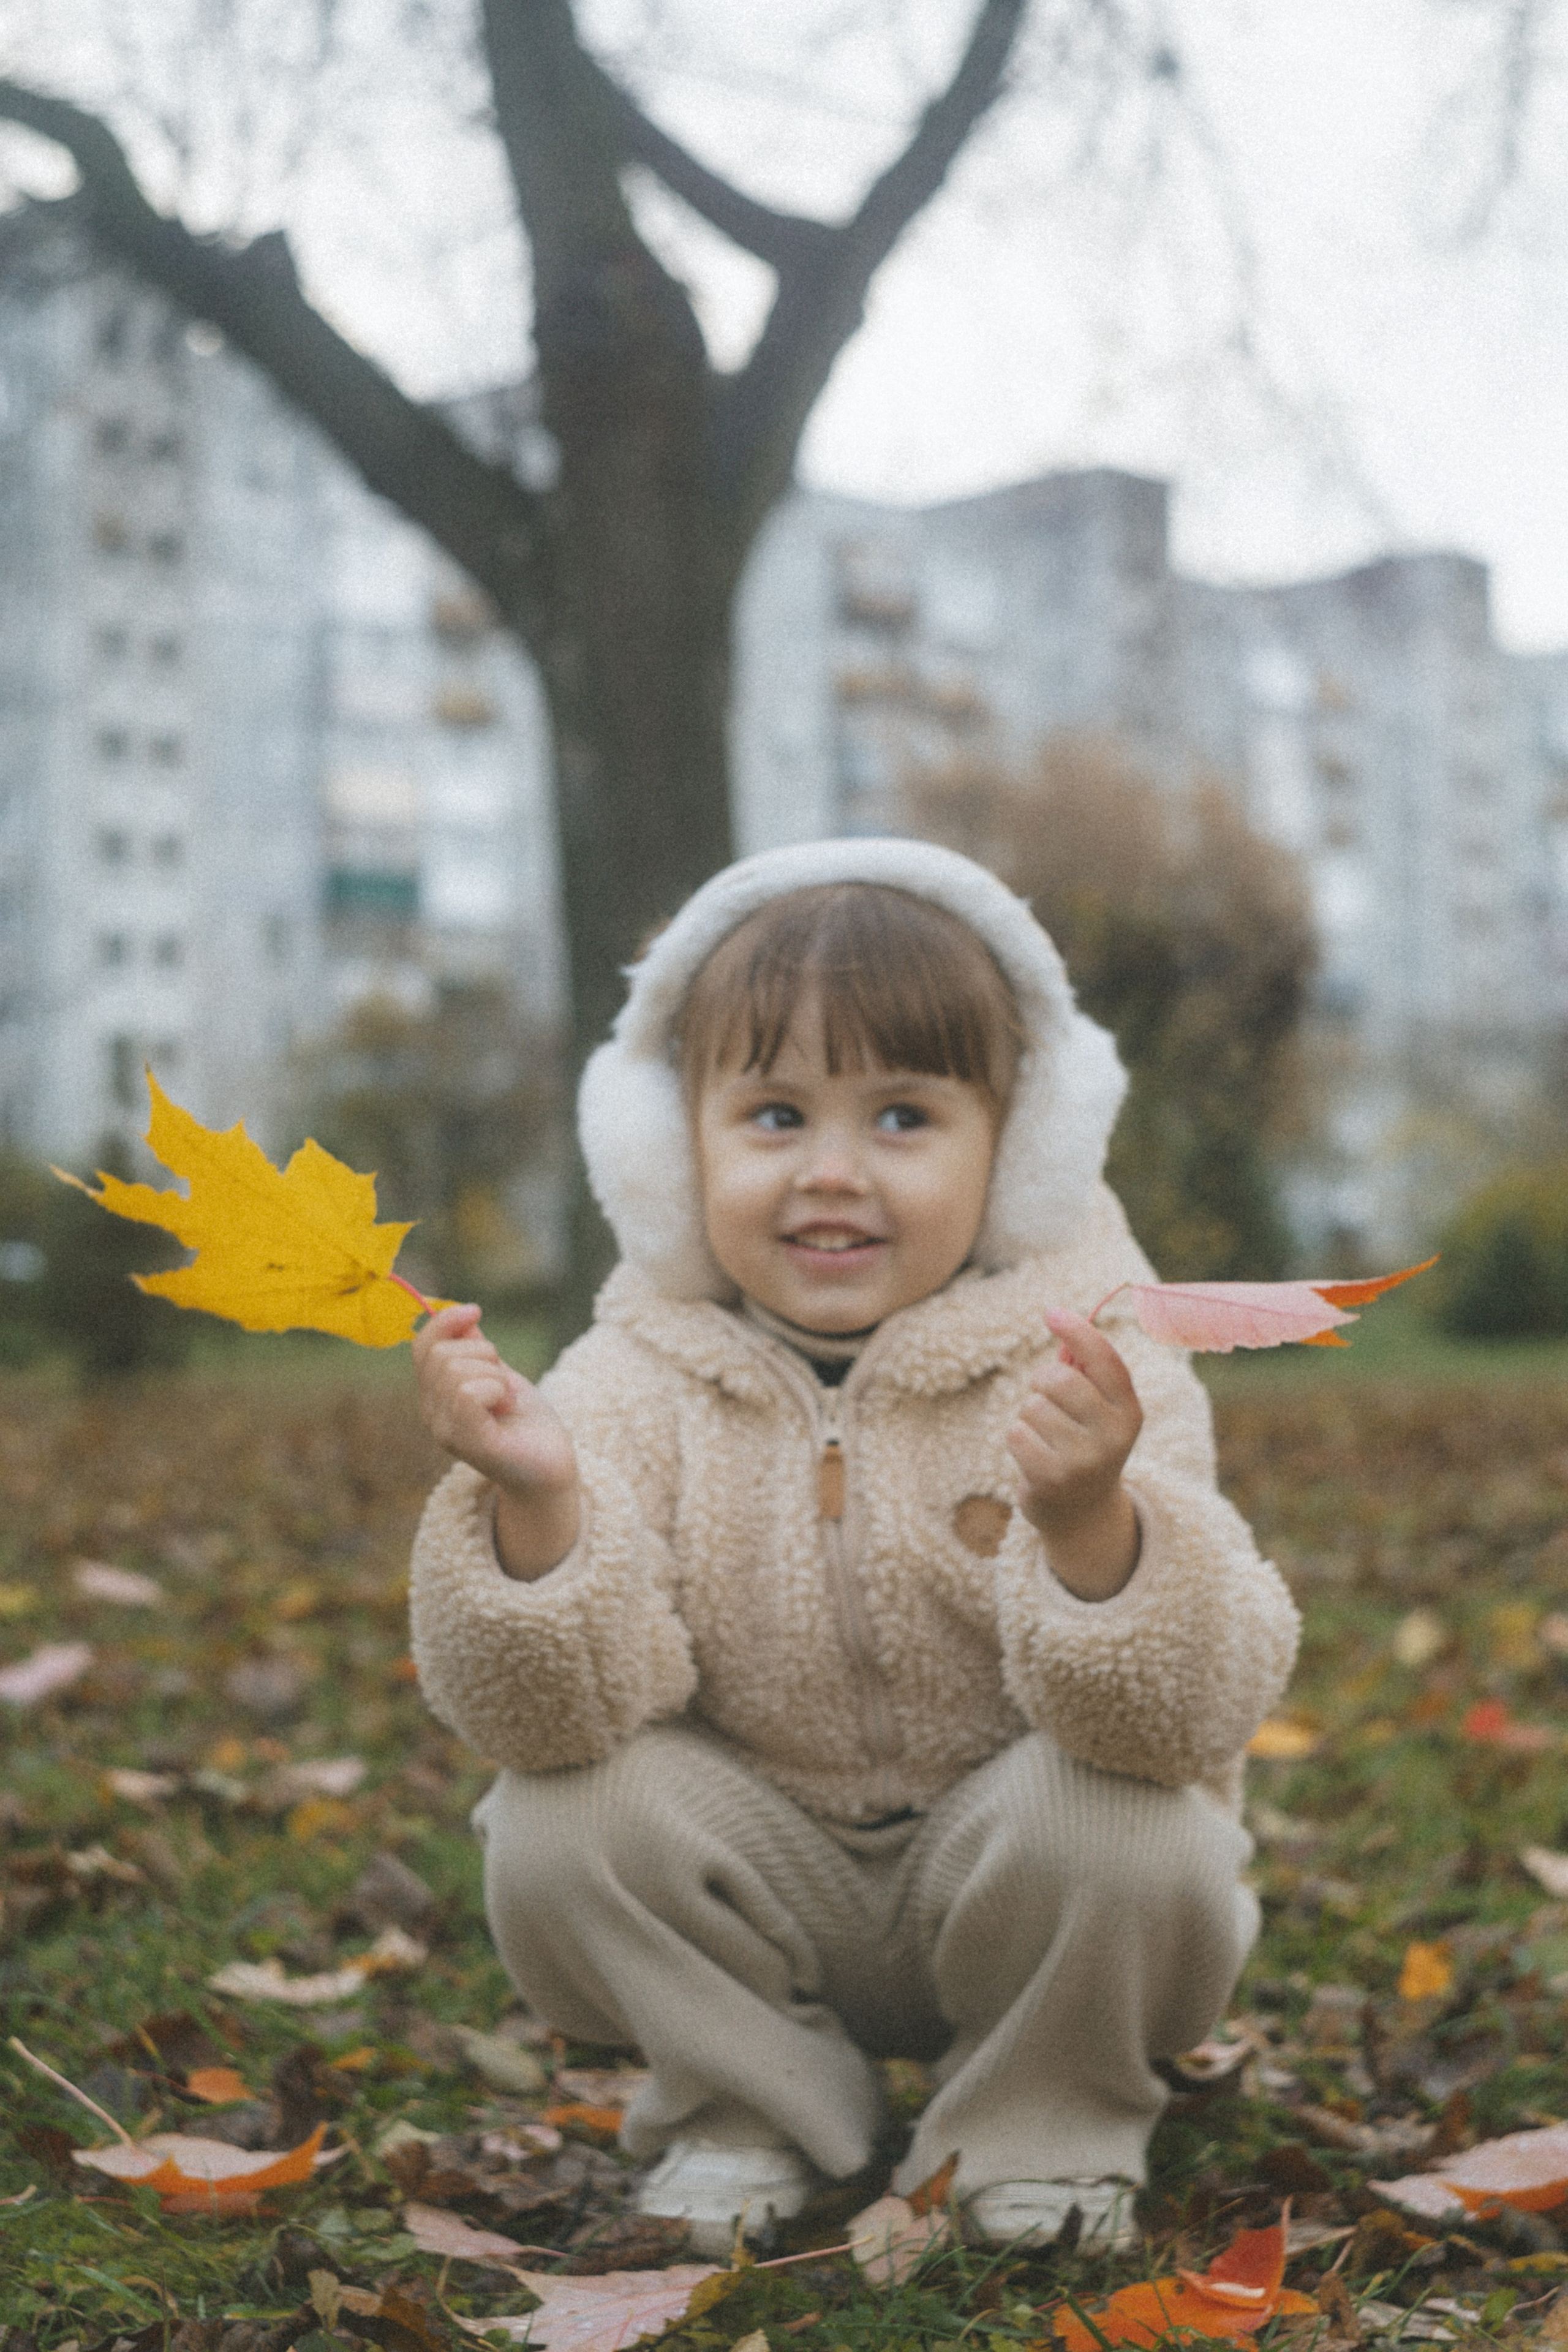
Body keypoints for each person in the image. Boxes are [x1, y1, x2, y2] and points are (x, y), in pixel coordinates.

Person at [408, 837, 1299, 2256]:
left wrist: (1090, 1524)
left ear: (1018, 1153)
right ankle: (747, 2105)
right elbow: (547, 1713)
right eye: (771, 1115)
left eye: (900, 1117)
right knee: (557, 1817)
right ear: (665, 1148)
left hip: (1011, 1871)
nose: (831, 1173)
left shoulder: (1092, 1357)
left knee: (1136, 1824)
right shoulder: (629, 1374)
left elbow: (1193, 1710)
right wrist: (534, 1507)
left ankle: (1042, 2115)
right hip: (761, 1876)